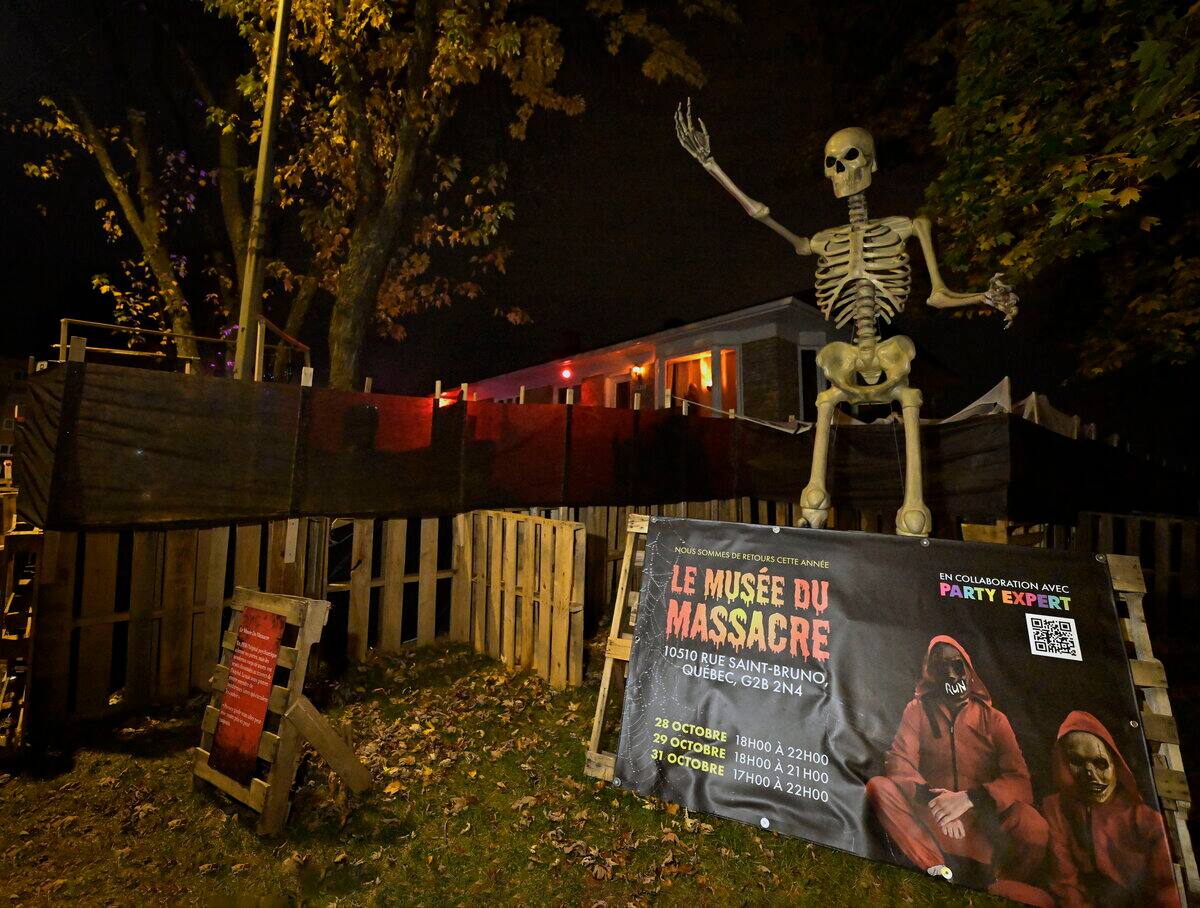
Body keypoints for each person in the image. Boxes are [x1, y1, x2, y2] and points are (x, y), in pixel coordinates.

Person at [866, 635, 1050, 902]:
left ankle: (999, 883)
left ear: (969, 669)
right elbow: (898, 762)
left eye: (957, 666)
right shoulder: (917, 710)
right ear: (931, 674)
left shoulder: (995, 720)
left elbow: (1020, 782)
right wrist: (936, 802)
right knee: (879, 788)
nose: (952, 675)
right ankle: (935, 867)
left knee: (1033, 824)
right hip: (932, 820)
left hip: (982, 825)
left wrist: (967, 799)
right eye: (942, 668)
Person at [1043, 711, 1179, 907]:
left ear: (1116, 763)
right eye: (1077, 762)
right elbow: (1064, 882)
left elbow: (1167, 891)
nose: (1090, 775)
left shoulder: (1147, 821)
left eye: (1100, 763)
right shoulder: (1055, 809)